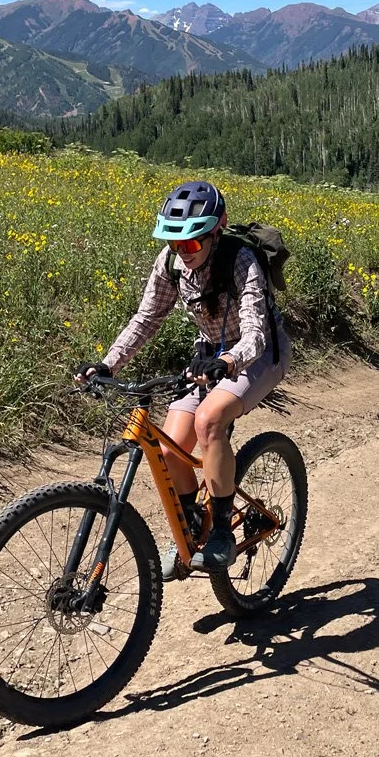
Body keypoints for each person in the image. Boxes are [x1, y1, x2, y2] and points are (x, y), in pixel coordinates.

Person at [74, 180, 290, 573]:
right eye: (176, 244)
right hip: (209, 358)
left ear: (215, 231)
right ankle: (193, 528)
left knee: (209, 421)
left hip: (260, 355)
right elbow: (146, 319)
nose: (182, 252)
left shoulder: (241, 261)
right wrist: (108, 364)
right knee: (171, 447)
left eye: (191, 243)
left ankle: (222, 529)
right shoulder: (171, 262)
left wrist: (229, 362)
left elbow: (256, 333)